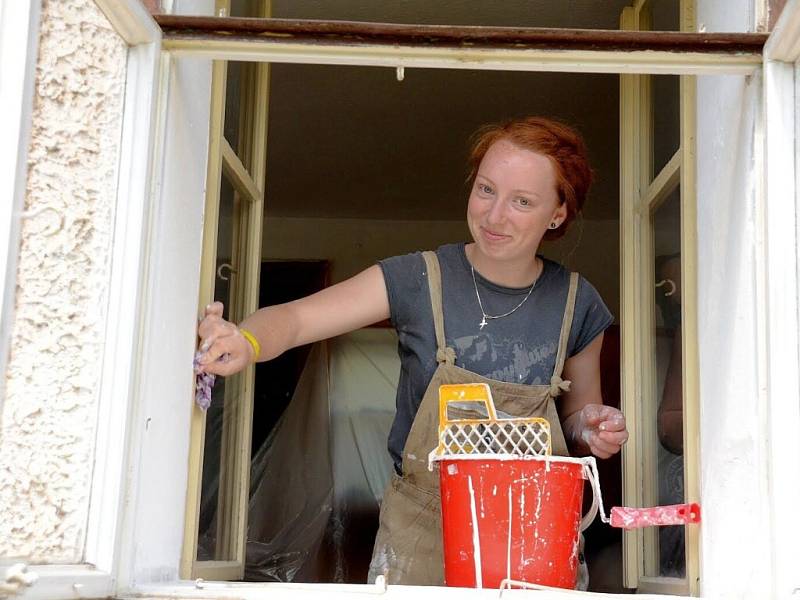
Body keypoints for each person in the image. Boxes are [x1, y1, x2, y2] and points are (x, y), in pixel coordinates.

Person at [196, 116, 629, 587]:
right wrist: (246, 340)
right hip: (420, 531)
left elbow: (577, 421)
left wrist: (592, 426)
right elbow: (298, 319)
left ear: (558, 214)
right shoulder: (418, 279)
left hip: (531, 533)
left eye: (521, 201)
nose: (494, 215)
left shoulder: (576, 303)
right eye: (486, 190)